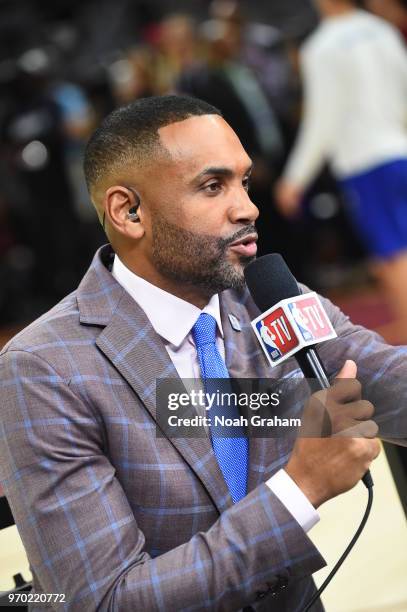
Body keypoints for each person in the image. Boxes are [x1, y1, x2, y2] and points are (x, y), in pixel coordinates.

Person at [0, 95, 405, 611]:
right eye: (212, 186)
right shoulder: (44, 369)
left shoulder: (269, 299)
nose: (247, 207)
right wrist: (298, 489)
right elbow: (102, 601)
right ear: (129, 211)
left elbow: (389, 380)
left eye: (245, 182)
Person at [275, 0, 407, 343]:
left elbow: (323, 118)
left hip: (365, 163)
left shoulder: (322, 47)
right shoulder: (381, 29)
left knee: (392, 257)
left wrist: (295, 177)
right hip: (399, 152)